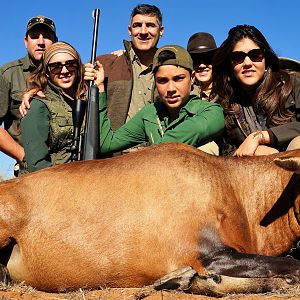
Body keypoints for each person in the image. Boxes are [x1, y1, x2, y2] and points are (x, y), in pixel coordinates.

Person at [85, 45, 224, 153]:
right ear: (155, 82)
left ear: (192, 78)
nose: (171, 89)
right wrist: (100, 88)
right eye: (162, 81)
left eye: (178, 79)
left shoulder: (212, 112)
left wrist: (146, 154)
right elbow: (106, 143)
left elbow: (171, 142)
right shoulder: (150, 113)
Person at [212, 24, 300, 156]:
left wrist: (261, 137)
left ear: (266, 59)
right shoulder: (224, 103)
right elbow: (225, 150)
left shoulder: (291, 84)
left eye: (255, 55)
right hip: (253, 170)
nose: (247, 63)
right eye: (238, 57)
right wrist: (253, 153)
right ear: (230, 65)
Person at [0, 15, 57, 175]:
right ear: (26, 42)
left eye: (46, 36)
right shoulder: (8, 74)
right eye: (35, 36)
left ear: (55, 42)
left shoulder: (67, 73)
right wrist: (24, 157)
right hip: (30, 170)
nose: (41, 41)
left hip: (67, 167)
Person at [20, 42, 87, 173]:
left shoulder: (86, 100)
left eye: (70, 64)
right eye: (56, 66)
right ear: (46, 72)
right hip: (51, 184)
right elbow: (37, 165)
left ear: (78, 67)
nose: (64, 70)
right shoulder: (38, 106)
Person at [96, 3, 164, 131]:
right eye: (137, 25)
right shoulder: (105, 64)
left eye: (150, 25)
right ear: (129, 30)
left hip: (159, 148)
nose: (143, 32)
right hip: (115, 149)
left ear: (161, 31)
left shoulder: (171, 66)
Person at [187, 32, 217, 101]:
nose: (202, 65)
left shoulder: (230, 92)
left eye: (208, 58)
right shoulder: (183, 96)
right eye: (196, 59)